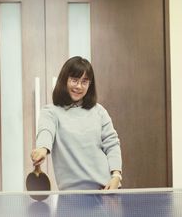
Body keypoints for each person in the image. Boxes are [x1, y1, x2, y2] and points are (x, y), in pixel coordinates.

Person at [31, 56, 122, 190]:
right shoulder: (50, 112)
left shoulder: (99, 111)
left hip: (105, 191)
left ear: (89, 85)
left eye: (84, 81)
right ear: (64, 80)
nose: (79, 86)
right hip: (71, 196)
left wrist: (116, 176)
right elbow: (46, 131)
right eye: (74, 80)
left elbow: (112, 144)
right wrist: (42, 148)